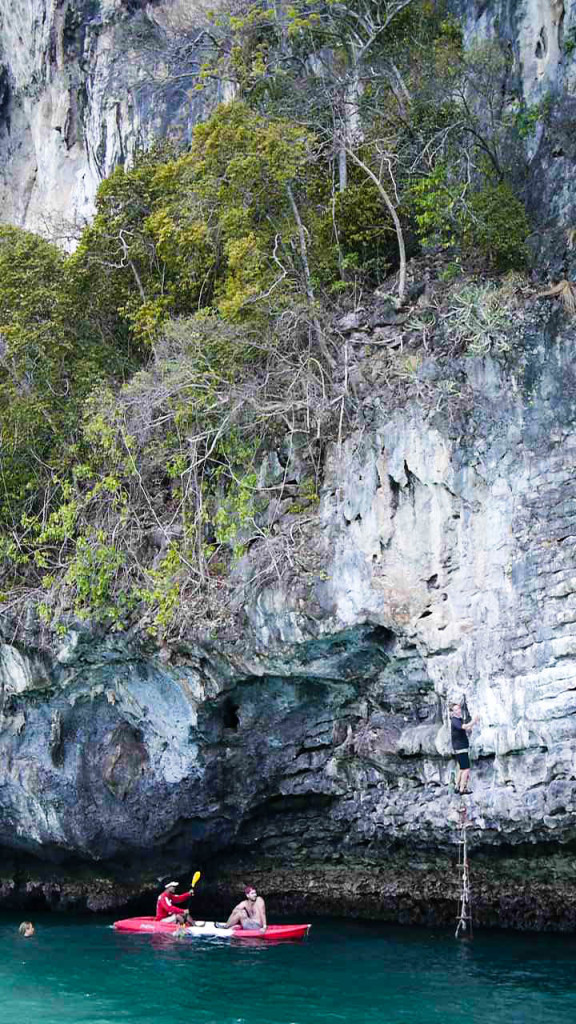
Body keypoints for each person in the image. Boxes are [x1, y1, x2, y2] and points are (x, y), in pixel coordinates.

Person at [451, 702, 479, 794]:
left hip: (459, 747)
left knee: (461, 768)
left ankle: (456, 786)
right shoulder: (455, 720)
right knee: (466, 769)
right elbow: (464, 727)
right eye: (456, 710)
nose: (458, 711)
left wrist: (471, 726)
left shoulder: (458, 719)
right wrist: (474, 721)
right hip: (461, 747)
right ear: (452, 712)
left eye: (459, 709)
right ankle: (462, 789)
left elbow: (466, 728)